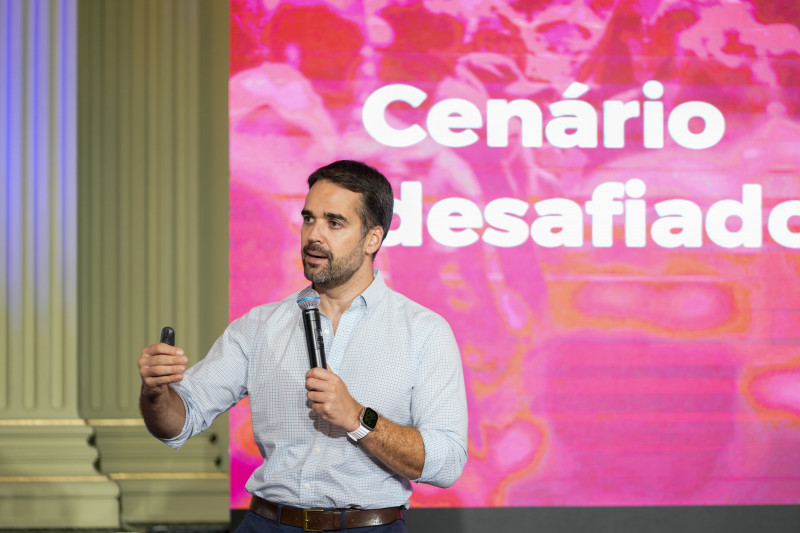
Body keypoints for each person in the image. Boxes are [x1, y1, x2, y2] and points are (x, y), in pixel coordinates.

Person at [138, 160, 468, 532]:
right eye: (309, 218)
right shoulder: (259, 326)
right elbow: (178, 422)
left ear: (372, 239)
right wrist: (155, 392)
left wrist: (358, 418)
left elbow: (447, 462)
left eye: (334, 222)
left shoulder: (423, 332)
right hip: (268, 523)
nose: (313, 234)